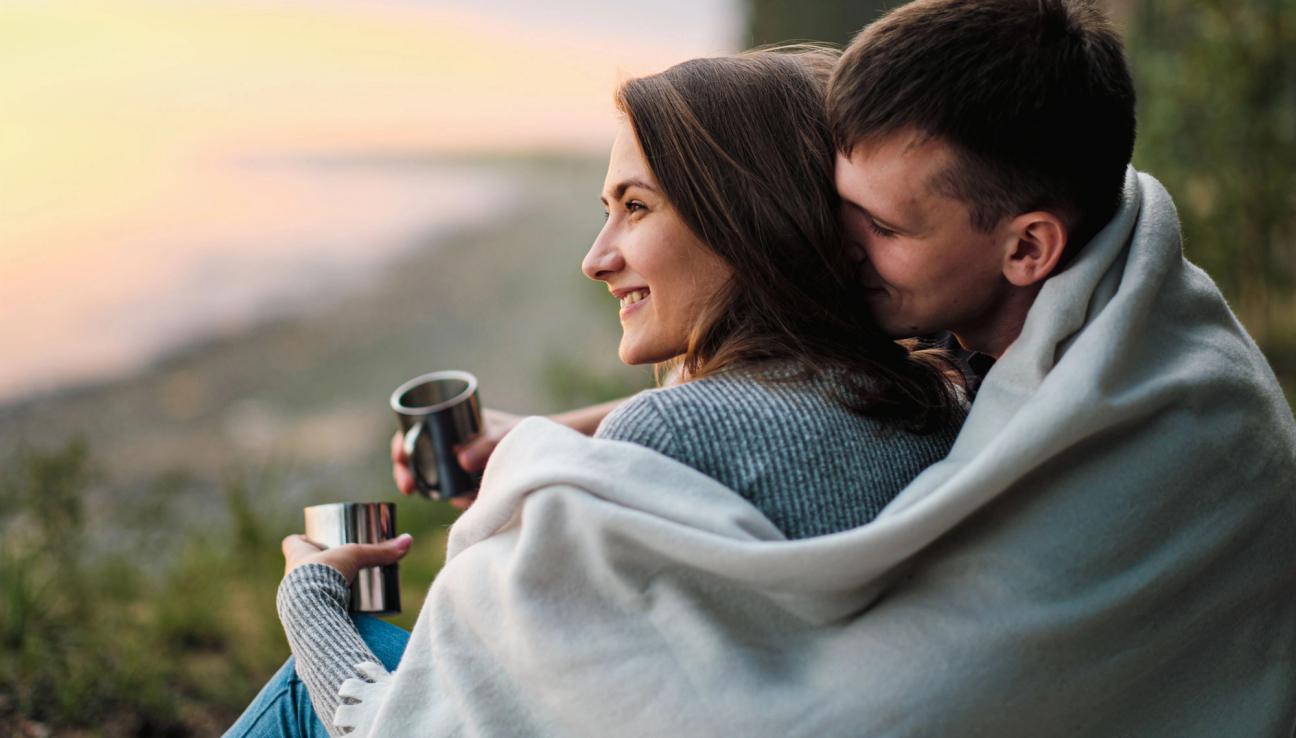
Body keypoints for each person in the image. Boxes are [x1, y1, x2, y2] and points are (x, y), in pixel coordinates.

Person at [391, 0, 1292, 734]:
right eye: (835, 206)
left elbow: (881, 707)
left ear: (1028, 249)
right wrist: (558, 432)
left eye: (885, 230)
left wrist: (315, 596)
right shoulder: (1040, 317)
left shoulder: (1181, 425)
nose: (836, 248)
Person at [226, 47, 967, 737]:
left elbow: (406, 725)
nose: (595, 258)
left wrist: (312, 599)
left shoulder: (668, 443)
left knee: (307, 687)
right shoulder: (920, 393)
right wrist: (543, 436)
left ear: (746, 220)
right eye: (603, 210)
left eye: (636, 207)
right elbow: (753, 426)